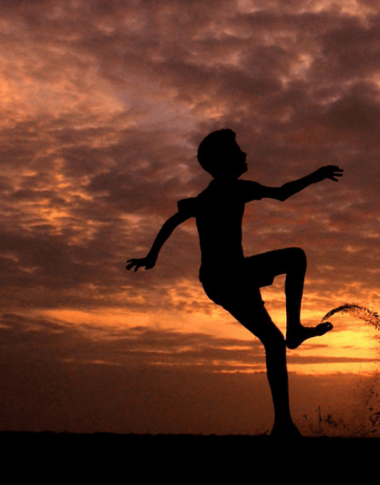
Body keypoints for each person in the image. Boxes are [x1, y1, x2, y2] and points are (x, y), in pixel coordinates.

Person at [126, 128, 343, 437]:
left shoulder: (214, 194)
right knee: (295, 257)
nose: (244, 154)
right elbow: (281, 193)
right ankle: (293, 331)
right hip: (228, 276)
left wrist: (152, 256)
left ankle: (283, 424)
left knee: (272, 342)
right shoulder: (229, 191)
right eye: (237, 151)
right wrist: (316, 176)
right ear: (223, 161)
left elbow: (173, 221)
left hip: (220, 280)